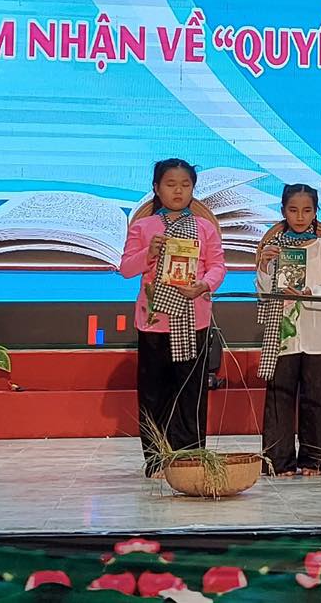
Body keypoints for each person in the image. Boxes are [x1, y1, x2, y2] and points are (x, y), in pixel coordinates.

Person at [119, 159, 226, 477]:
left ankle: (190, 457)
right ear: (156, 188)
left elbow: (218, 266)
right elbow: (126, 269)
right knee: (154, 392)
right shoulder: (143, 227)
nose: (178, 191)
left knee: (191, 391)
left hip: (194, 320)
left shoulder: (205, 228)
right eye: (170, 184)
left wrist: (204, 285)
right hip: (154, 322)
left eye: (185, 185)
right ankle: (156, 458)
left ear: (193, 189)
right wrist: (149, 253)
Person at [255, 184, 321, 476]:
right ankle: (278, 461)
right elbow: (263, 293)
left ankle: (315, 460)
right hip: (283, 336)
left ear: (316, 212)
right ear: (283, 211)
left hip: (318, 336)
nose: (300, 216)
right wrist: (265, 267)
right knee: (279, 397)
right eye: (293, 210)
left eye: (307, 210)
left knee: (318, 398)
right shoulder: (273, 248)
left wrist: (311, 292)